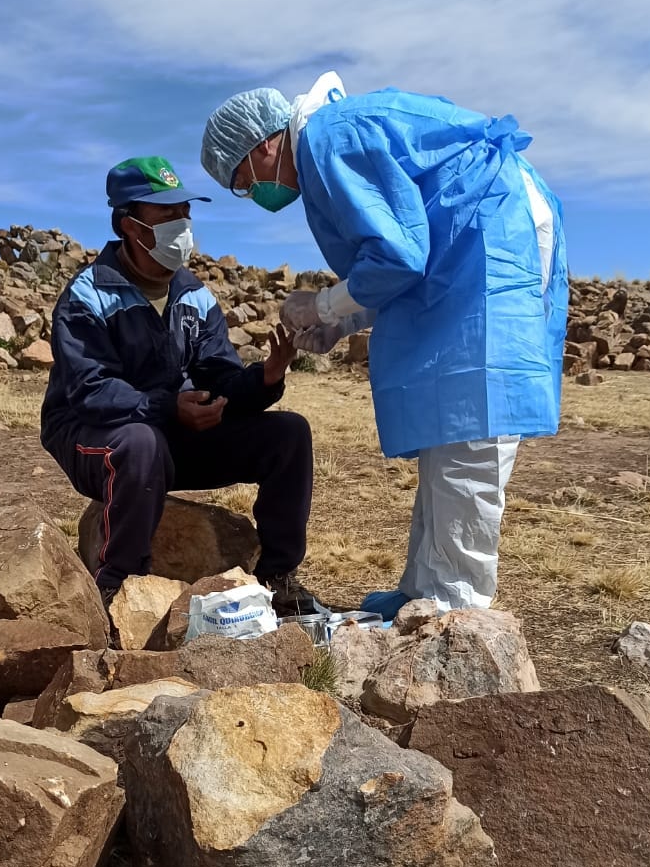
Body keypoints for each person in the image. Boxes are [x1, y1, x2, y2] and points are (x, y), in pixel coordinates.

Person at [200, 73, 567, 617]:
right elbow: (403, 257)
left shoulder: (326, 140)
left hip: (488, 250)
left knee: (470, 429)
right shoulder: (335, 134)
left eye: (242, 180)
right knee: (449, 434)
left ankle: (455, 613)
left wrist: (322, 305)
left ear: (264, 143)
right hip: (467, 251)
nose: (251, 194)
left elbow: (399, 257)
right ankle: (423, 592)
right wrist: (339, 325)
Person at [40, 155, 321, 619]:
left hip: (169, 432)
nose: (182, 225)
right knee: (139, 442)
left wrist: (265, 377)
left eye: (185, 212)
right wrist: (168, 408)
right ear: (130, 225)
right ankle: (118, 591)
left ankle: (278, 579)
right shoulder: (88, 296)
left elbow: (220, 377)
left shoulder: (195, 295)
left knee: (289, 434)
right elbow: (90, 391)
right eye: (166, 215)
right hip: (93, 436)